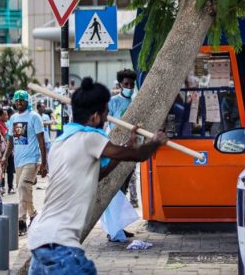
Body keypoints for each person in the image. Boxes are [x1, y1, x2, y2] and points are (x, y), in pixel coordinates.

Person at [27, 77, 168, 274]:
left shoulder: (61, 142)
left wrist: (127, 146)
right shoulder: (90, 138)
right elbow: (139, 155)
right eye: (105, 114)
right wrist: (155, 142)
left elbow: (97, 174)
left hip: (40, 238)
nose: (105, 119)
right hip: (59, 243)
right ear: (94, 117)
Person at [3, 90, 47, 235]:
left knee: (22, 187)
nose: (19, 102)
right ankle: (33, 215)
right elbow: (10, 142)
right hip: (18, 161)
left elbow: (42, 141)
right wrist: (5, 157)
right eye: (17, 100)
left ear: (27, 101)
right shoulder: (13, 118)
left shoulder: (34, 117)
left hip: (32, 159)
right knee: (25, 190)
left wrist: (44, 163)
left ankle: (21, 221)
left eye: (22, 100)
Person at [107, 69, 139, 207]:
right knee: (116, 184)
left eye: (132, 84)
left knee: (127, 181)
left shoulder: (137, 101)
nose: (129, 87)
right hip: (116, 147)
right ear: (120, 84)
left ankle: (123, 213)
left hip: (132, 147)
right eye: (126, 84)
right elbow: (106, 122)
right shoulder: (113, 102)